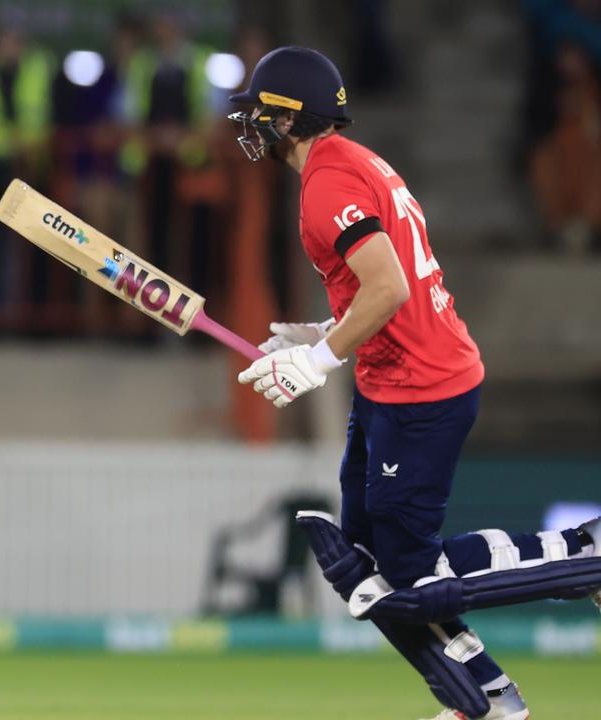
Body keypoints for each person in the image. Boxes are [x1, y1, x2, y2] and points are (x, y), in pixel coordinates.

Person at [229, 46, 601, 720]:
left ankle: (581, 554)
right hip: (394, 380)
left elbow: (390, 287)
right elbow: (389, 286)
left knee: (406, 582)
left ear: (288, 119)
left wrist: (320, 362)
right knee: (364, 568)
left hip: (420, 389)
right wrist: (322, 333)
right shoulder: (355, 161)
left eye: (259, 113)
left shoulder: (327, 187)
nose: (249, 125)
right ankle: (486, 698)